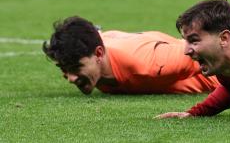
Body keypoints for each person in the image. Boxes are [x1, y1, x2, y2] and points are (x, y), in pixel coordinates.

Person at [42, 19, 219, 95]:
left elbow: (213, 50)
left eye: (77, 68)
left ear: (98, 54)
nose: (71, 78)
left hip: (220, 80)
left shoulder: (149, 64)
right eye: (65, 70)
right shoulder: (97, 52)